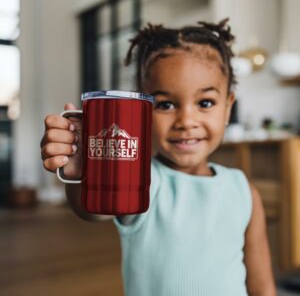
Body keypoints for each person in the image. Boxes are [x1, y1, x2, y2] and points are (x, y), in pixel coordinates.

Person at [40, 19, 276, 295]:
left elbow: (263, 287)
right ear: (143, 114)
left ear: (227, 108)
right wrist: (84, 171)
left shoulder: (243, 191)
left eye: (205, 103)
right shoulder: (143, 180)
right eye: (165, 104)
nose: (186, 120)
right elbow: (91, 210)